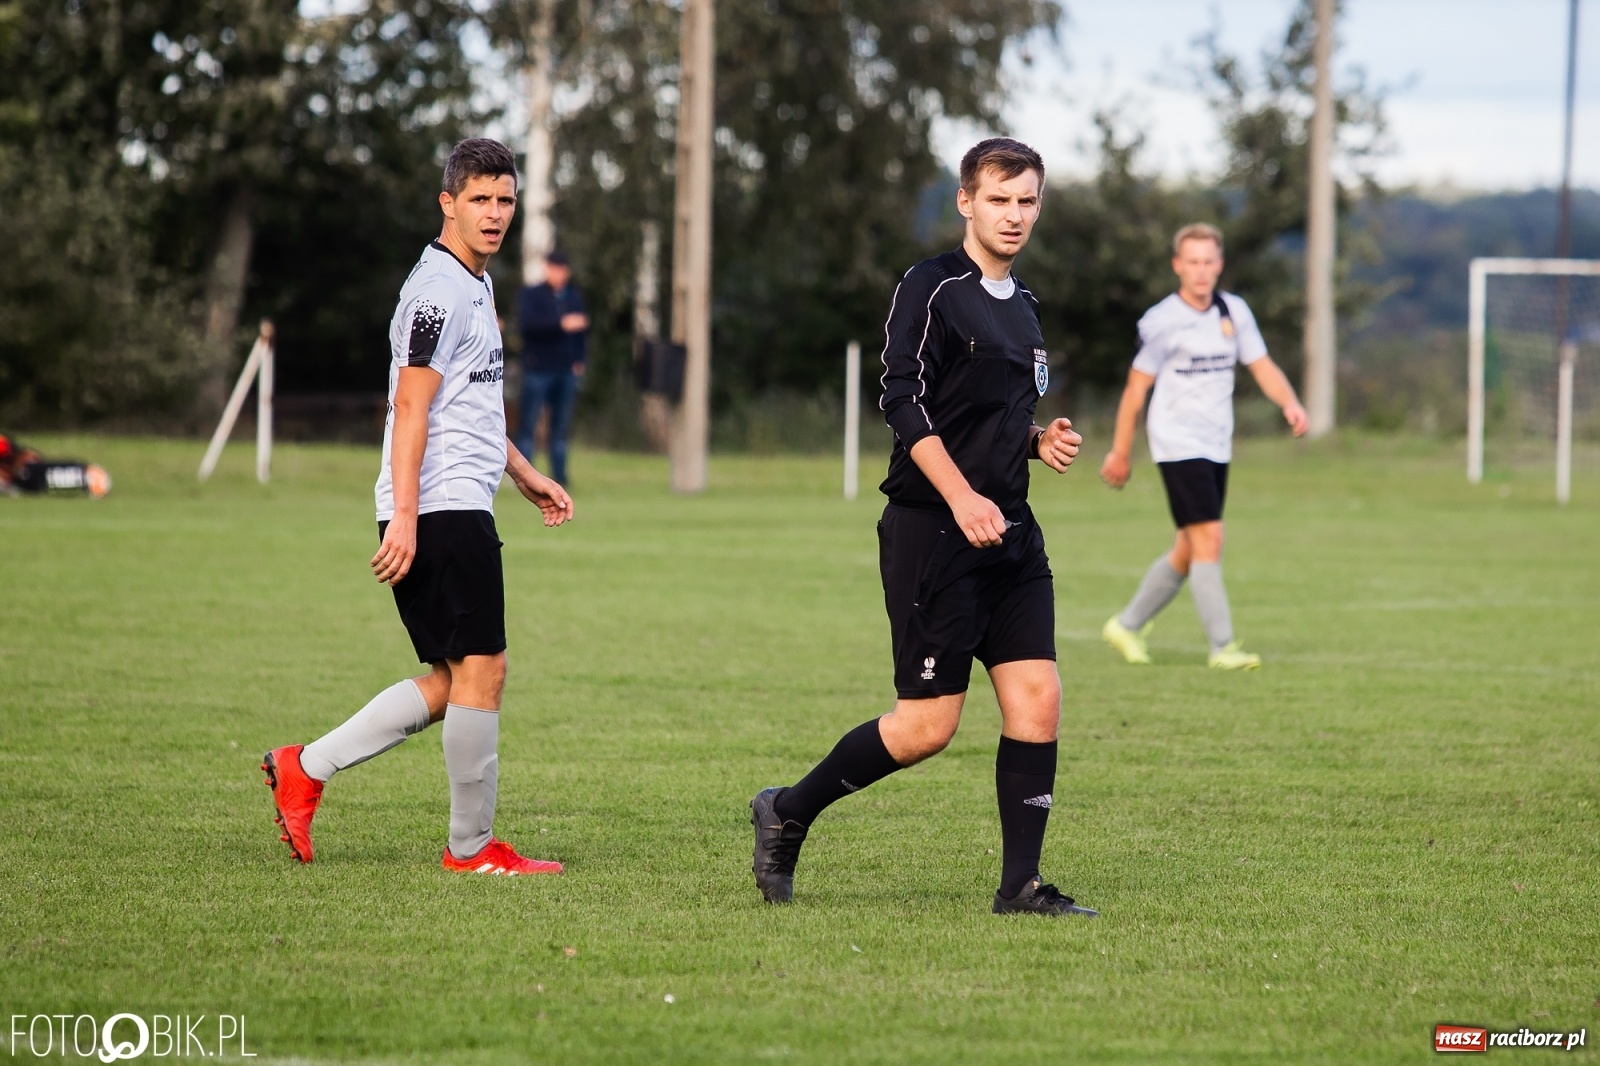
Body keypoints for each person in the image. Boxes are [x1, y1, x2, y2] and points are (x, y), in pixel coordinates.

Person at [749, 138, 1097, 917]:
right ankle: (788, 811)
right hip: (934, 532)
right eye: (999, 199)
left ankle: (1021, 888)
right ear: (967, 202)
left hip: (1011, 534)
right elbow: (902, 400)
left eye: (1028, 200)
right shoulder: (931, 286)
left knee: (1038, 697)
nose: (1015, 215)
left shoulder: (1029, 307)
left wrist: (1040, 441)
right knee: (925, 728)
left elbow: (997, 414)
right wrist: (963, 496)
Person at [262, 138, 575, 875]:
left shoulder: (476, 280)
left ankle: (305, 767)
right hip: (438, 509)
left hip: (457, 503)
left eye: (505, 200)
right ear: (448, 204)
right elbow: (410, 404)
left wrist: (522, 471)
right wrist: (405, 515)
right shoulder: (437, 290)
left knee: (455, 680)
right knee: (484, 671)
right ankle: (470, 851)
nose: (495, 214)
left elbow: (469, 403)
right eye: (480, 201)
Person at [1098, 223, 1308, 670]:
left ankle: (1127, 624)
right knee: (1210, 535)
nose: (1201, 270)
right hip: (1176, 443)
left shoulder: (1234, 312)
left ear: (1220, 264)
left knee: (1189, 547)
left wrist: (1290, 403)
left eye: (1209, 261)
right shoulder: (1161, 322)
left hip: (1216, 443)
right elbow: (1135, 391)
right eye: (1192, 262)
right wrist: (1120, 451)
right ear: (1178, 266)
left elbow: (1261, 364)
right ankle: (1223, 647)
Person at [516, 250, 588, 486]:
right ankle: (523, 476)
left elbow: (581, 333)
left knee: (560, 428)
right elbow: (528, 326)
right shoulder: (532, 295)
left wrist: (579, 360)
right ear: (547, 269)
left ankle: (560, 477)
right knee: (528, 425)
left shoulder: (573, 298)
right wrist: (560, 325)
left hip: (565, 371)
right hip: (537, 369)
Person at [0, 433, 111, 498]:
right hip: (17, 477)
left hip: (25, 472)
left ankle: (85, 476)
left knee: (39, 474)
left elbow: (14, 453)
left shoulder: (3, 444)